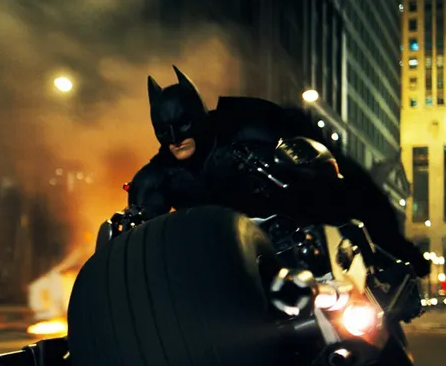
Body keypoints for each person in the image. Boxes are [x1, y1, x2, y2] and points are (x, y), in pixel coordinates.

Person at [124, 65, 430, 278]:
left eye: (182, 124)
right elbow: (140, 243)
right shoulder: (155, 178)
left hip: (289, 237)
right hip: (217, 266)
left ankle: (381, 264)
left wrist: (394, 247)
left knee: (337, 201)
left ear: (198, 115)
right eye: (163, 130)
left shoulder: (247, 125)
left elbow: (334, 176)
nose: (174, 138)